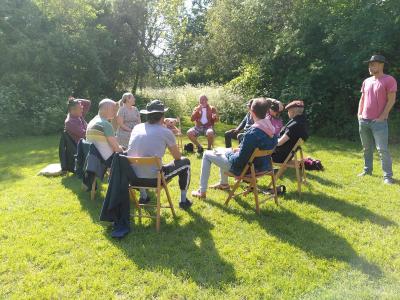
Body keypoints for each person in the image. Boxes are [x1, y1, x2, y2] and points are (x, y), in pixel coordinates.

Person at [191, 97, 277, 198]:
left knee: (206, 154)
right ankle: (224, 184)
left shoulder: (252, 133)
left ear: (251, 112)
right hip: (262, 167)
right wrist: (234, 151)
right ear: (267, 112)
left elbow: (239, 161)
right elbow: (255, 150)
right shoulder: (272, 130)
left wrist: (229, 154)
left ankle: (202, 192)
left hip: (245, 169)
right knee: (221, 150)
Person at [127, 100, 192, 209]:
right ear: (162, 116)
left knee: (141, 160)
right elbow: (177, 157)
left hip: (133, 178)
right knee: (185, 162)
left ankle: (144, 196)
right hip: (155, 179)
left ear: (147, 115)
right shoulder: (166, 132)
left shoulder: (136, 128)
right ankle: (183, 200)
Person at [357, 55, 397, 184]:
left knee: (382, 150)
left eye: (373, 64)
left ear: (381, 65)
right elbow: (362, 99)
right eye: (369, 64)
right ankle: (367, 170)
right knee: (367, 148)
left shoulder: (389, 80)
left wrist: (383, 116)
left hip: (378, 122)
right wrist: (359, 114)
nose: (370, 66)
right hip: (364, 120)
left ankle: (388, 176)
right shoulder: (366, 81)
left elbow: (391, 100)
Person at [86, 99, 123, 165]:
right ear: (105, 109)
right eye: (113, 109)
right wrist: (124, 150)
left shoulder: (92, 122)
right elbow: (116, 148)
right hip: (106, 160)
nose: (115, 112)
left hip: (93, 158)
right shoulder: (105, 124)